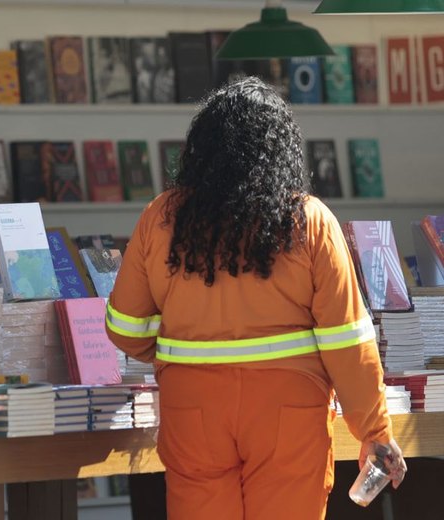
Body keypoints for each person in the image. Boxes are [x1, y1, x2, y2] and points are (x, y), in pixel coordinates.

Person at [105, 77, 406, 520]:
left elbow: (125, 327)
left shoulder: (161, 218)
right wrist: (374, 431)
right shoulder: (310, 222)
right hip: (288, 411)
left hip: (193, 408)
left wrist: (178, 348)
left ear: (200, 150)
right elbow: (348, 343)